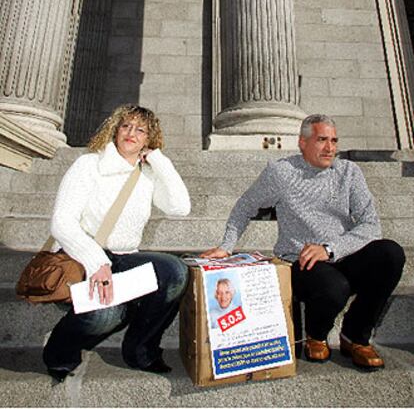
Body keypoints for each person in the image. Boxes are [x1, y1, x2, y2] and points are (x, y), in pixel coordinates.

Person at [201, 114, 405, 370]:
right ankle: (316, 336)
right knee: (335, 286)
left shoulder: (349, 172)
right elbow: (245, 206)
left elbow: (371, 225)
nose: (330, 148)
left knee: (390, 254)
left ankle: (355, 336)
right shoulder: (281, 173)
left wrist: (330, 249)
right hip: (301, 260)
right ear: (302, 142)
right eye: (322, 140)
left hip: (339, 254)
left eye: (334, 140)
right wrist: (226, 246)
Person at [43, 104, 191, 381]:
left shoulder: (146, 174)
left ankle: (140, 350)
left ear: (149, 139)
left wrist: (159, 161)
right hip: (82, 256)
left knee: (175, 271)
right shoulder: (89, 164)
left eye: (140, 130)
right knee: (105, 316)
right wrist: (97, 262)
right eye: (126, 126)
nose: (131, 133)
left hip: (124, 258)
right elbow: (61, 222)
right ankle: (59, 353)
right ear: (115, 129)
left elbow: (180, 207)